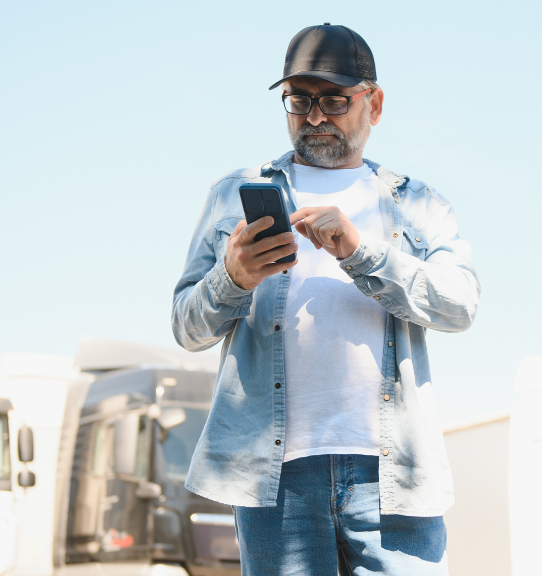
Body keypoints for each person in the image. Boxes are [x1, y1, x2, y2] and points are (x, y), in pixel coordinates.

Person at [171, 23, 479, 576]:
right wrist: (232, 278)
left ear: (374, 104)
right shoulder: (230, 195)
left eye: (334, 100)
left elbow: (460, 306)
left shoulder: (418, 204)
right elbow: (186, 327)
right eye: (298, 101)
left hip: (393, 474)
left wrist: (361, 251)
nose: (314, 116)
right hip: (274, 479)